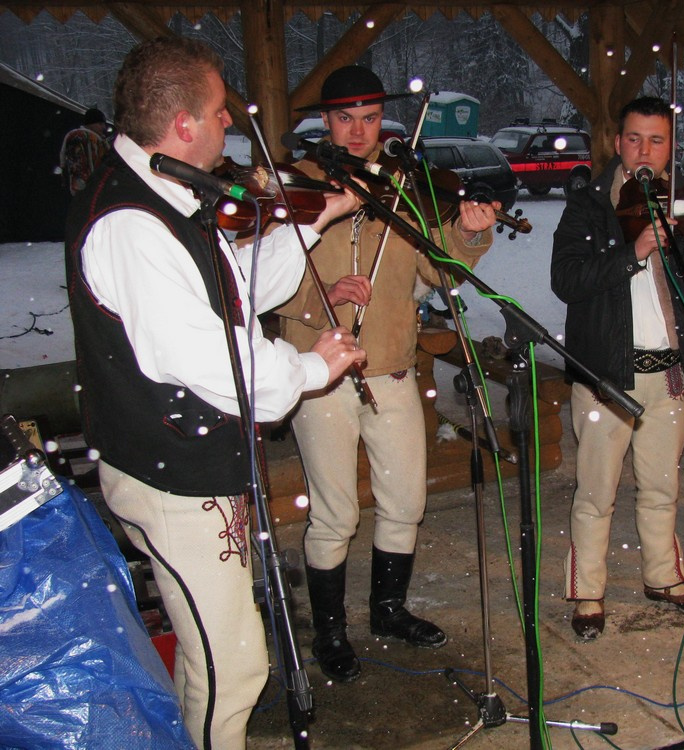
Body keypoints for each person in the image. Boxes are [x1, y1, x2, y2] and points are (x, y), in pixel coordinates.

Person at [65, 37, 366, 749]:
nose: (230, 123)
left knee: (217, 652)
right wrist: (309, 368)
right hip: (174, 479)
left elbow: (233, 295)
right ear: (184, 124)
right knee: (233, 670)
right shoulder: (133, 225)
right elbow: (208, 357)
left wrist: (312, 219)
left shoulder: (168, 192)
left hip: (190, 467)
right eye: (220, 111)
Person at [277, 65, 497, 682]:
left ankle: (388, 610)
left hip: (393, 366)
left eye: (370, 118)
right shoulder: (297, 185)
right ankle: (329, 630)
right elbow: (261, 281)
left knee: (405, 501)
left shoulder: (404, 184)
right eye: (344, 118)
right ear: (326, 120)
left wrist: (467, 236)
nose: (357, 132)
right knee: (335, 512)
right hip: (319, 370)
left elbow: (440, 273)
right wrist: (320, 300)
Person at [550, 96, 684, 640]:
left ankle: (663, 577)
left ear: (670, 147)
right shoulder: (589, 204)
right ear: (617, 142)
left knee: (661, 486)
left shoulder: (680, 205)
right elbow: (567, 281)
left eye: (656, 140)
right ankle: (588, 591)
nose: (644, 151)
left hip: (668, 372)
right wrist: (634, 252)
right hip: (606, 374)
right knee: (596, 492)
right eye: (634, 139)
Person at [60, 107, 110, 195]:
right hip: (85, 191)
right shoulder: (79, 136)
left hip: (97, 190)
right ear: (90, 123)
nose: (103, 127)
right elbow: (77, 166)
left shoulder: (101, 140)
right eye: (100, 124)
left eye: (103, 124)